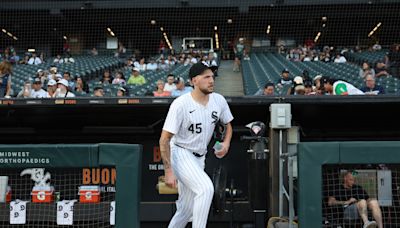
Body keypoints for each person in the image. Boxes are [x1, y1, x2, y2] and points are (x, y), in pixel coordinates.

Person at [159, 62, 234, 228]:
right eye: (206, 77)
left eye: (212, 77)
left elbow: (228, 124)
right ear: (194, 80)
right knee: (206, 189)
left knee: (186, 209)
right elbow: (164, 139)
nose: (211, 80)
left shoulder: (218, 100)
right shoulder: (180, 104)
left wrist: (226, 143)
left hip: (200, 157)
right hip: (181, 152)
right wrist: (169, 170)